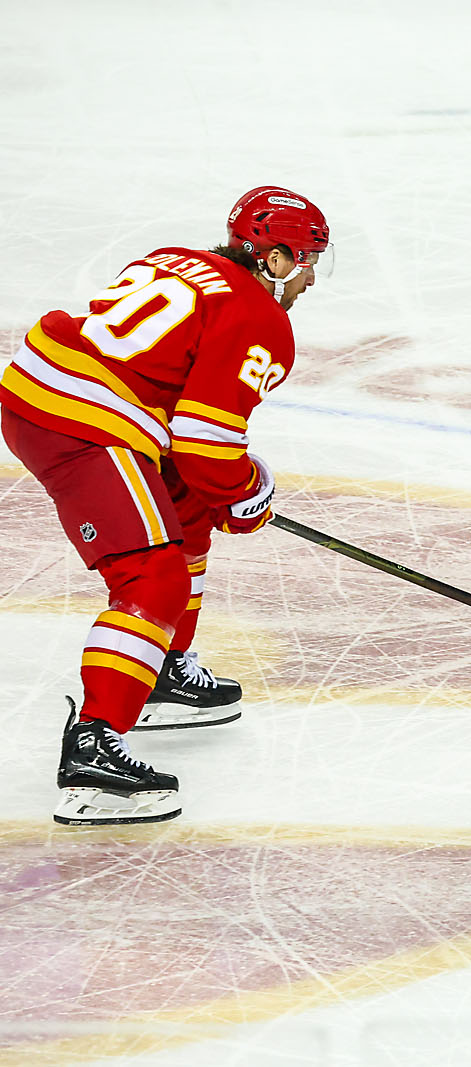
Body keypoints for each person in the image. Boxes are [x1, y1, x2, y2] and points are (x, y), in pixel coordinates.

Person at [0, 186, 330, 824]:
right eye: (307, 259)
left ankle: (161, 670)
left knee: (187, 518)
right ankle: (95, 747)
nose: (311, 276)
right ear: (275, 258)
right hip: (84, 423)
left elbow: (179, 425)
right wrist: (247, 491)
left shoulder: (174, 257)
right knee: (154, 576)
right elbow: (207, 447)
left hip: (47, 388)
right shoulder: (263, 320)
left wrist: (221, 498)